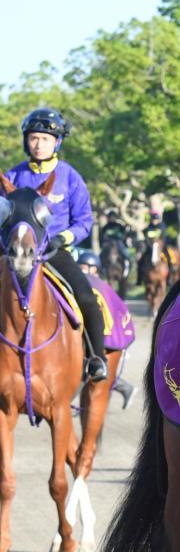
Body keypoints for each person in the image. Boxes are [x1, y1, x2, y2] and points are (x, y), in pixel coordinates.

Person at [5, 108, 108, 381]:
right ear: (26, 140)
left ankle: (96, 359)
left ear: (57, 142)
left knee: (86, 297)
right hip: (14, 252)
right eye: (34, 138)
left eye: (46, 139)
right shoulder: (12, 177)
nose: (39, 144)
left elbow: (84, 220)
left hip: (54, 252)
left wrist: (64, 238)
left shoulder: (70, 177)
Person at [76, 250, 136, 409]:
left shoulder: (102, 288)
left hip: (101, 337)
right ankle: (125, 388)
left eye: (84, 266)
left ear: (94, 269)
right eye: (79, 266)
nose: (80, 269)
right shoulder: (78, 283)